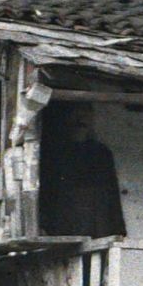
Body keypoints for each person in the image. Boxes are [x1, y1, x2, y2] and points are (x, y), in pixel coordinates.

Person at [37, 102, 127, 240]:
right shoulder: (54, 152)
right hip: (65, 222)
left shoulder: (101, 153)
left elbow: (112, 192)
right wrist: (43, 223)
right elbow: (47, 190)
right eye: (76, 114)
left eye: (86, 114)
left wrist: (119, 228)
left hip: (98, 223)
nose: (81, 119)